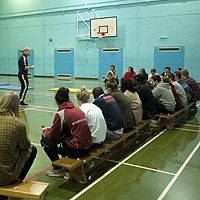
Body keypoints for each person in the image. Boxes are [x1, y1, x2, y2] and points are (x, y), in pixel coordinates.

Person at [41, 87, 93, 177]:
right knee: (62, 138)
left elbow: (52, 136)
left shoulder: (61, 113)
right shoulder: (77, 109)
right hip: (87, 148)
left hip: (78, 150)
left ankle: (58, 169)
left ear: (57, 102)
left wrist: (45, 131)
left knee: (44, 141)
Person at [0, 91, 37, 186]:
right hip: (5, 177)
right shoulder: (18, 124)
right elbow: (26, 146)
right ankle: (18, 179)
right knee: (31, 150)